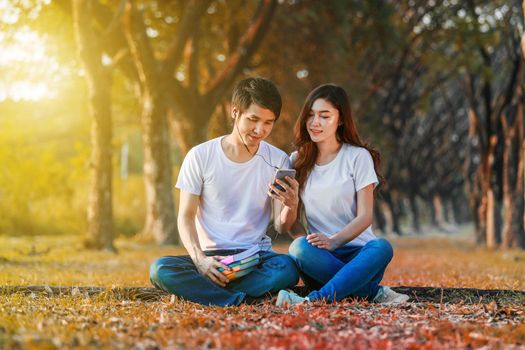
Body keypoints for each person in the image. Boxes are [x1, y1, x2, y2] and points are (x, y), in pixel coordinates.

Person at [149, 77, 299, 306]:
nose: (260, 130)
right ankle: (242, 299)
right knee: (160, 269)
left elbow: (280, 226)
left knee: (287, 269)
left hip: (254, 257)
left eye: (269, 122)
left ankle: (210, 295)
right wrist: (200, 261)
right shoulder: (200, 156)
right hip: (211, 256)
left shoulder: (278, 160)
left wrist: (292, 204)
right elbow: (186, 217)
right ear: (235, 112)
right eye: (253, 119)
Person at [271, 84, 409, 306]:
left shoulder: (358, 157)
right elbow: (286, 226)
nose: (315, 123)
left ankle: (312, 301)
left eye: (324, 116)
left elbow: (365, 217)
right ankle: (371, 293)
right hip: (320, 258)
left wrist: (334, 241)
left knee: (382, 246)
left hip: (360, 255)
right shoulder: (296, 161)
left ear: (341, 119)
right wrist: (291, 206)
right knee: (297, 247)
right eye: (310, 115)